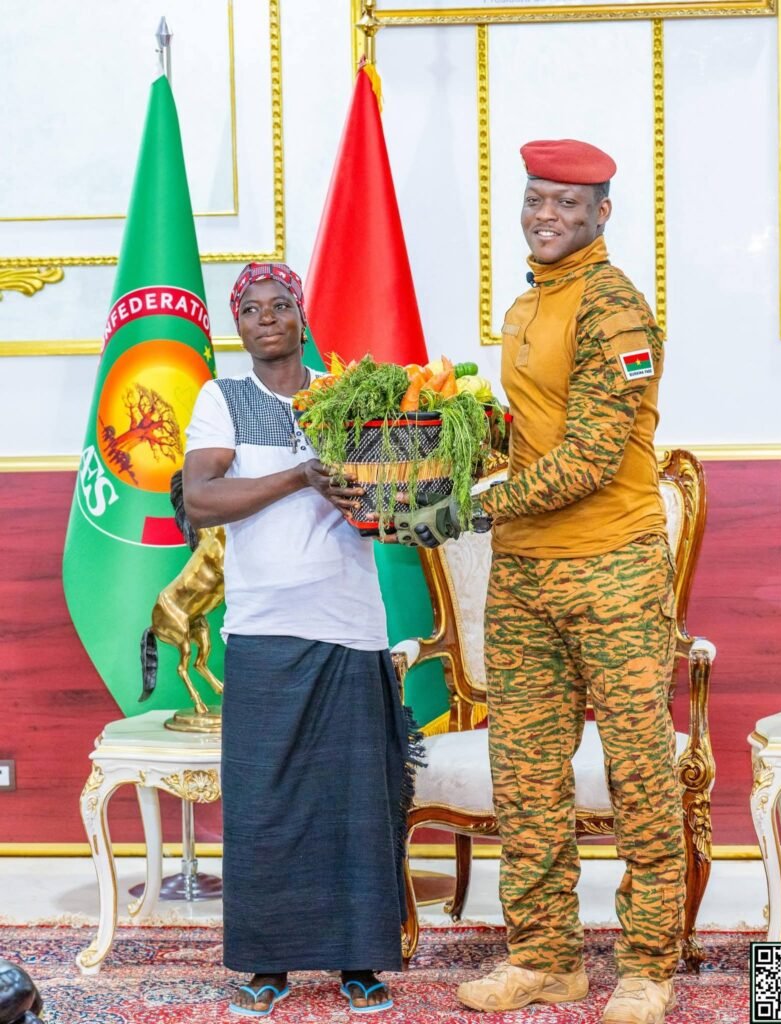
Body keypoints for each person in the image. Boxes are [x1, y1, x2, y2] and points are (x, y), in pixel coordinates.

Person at [395, 140, 684, 1024]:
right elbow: (528, 436)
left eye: (566, 203)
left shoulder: (615, 310)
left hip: (613, 568)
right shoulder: (527, 304)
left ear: (602, 213)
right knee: (524, 777)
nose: (545, 216)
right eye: (535, 199)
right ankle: (545, 959)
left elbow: (591, 457)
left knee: (638, 773)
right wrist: (439, 445)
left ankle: (648, 966)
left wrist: (471, 509)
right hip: (524, 578)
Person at [183, 262, 421, 1017]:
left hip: (350, 623)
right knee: (265, 801)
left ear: (301, 314)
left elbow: (391, 500)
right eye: (251, 308)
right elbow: (200, 499)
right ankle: (266, 964)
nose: (266, 318)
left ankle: (360, 962)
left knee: (358, 801)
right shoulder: (222, 399)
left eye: (279, 304)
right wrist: (300, 476)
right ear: (237, 325)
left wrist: (404, 495)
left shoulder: (343, 397)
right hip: (263, 627)